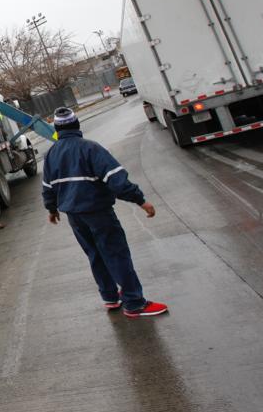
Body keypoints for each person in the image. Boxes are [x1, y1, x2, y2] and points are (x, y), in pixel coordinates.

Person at [41, 107, 168, 318]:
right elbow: (117, 180)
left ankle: (110, 297)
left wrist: (52, 209)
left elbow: (48, 187)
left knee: (94, 254)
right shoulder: (90, 149)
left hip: (75, 216)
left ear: (56, 128)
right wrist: (140, 201)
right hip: (97, 212)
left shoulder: (51, 154)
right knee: (116, 254)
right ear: (77, 125)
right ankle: (134, 303)